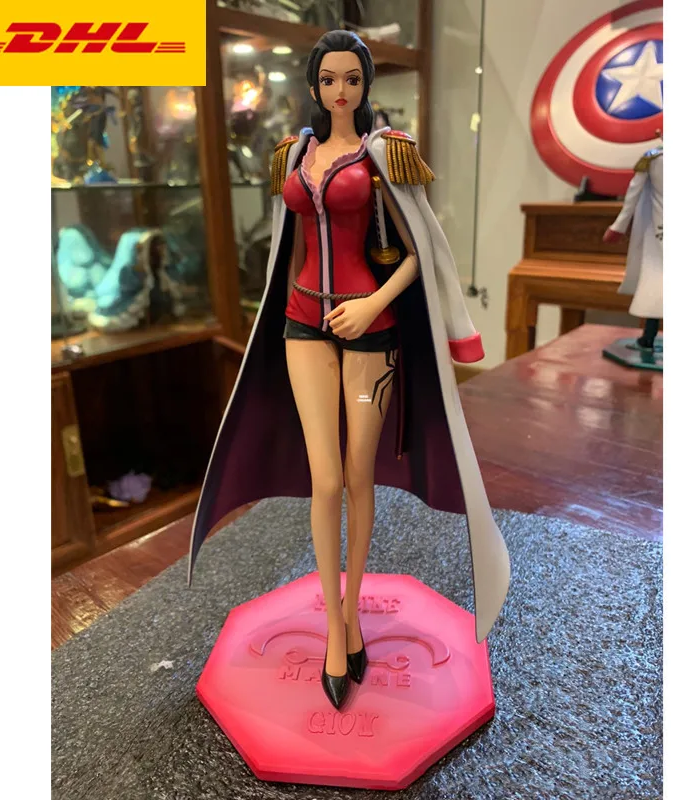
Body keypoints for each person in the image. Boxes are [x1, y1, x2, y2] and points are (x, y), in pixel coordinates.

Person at [189, 30, 510, 711]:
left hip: (370, 329)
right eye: (330, 79)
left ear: (365, 85)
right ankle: (335, 624)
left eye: (353, 79)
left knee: (358, 475)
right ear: (314, 85)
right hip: (301, 325)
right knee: (326, 479)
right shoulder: (293, 155)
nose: (341, 90)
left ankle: (354, 607)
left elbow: (422, 250)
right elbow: (287, 249)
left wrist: (371, 305)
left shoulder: (387, 154)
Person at [603, 138, 663, 350]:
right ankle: (648, 338)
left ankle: (648, 337)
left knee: (655, 282)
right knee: (655, 282)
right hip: (658, 229)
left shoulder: (653, 158)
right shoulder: (653, 158)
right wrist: (619, 226)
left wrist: (619, 226)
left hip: (658, 230)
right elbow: (633, 194)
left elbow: (633, 194)